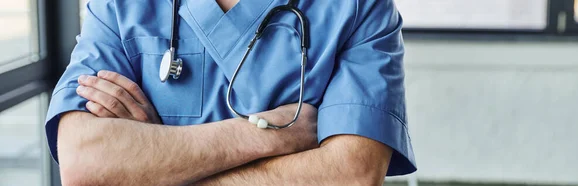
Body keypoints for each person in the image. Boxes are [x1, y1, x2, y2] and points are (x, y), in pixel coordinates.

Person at [45, 0, 416, 185]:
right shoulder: (121, 6)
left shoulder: (360, 8)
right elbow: (83, 160)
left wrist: (155, 167)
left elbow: (351, 174)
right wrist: (269, 135)